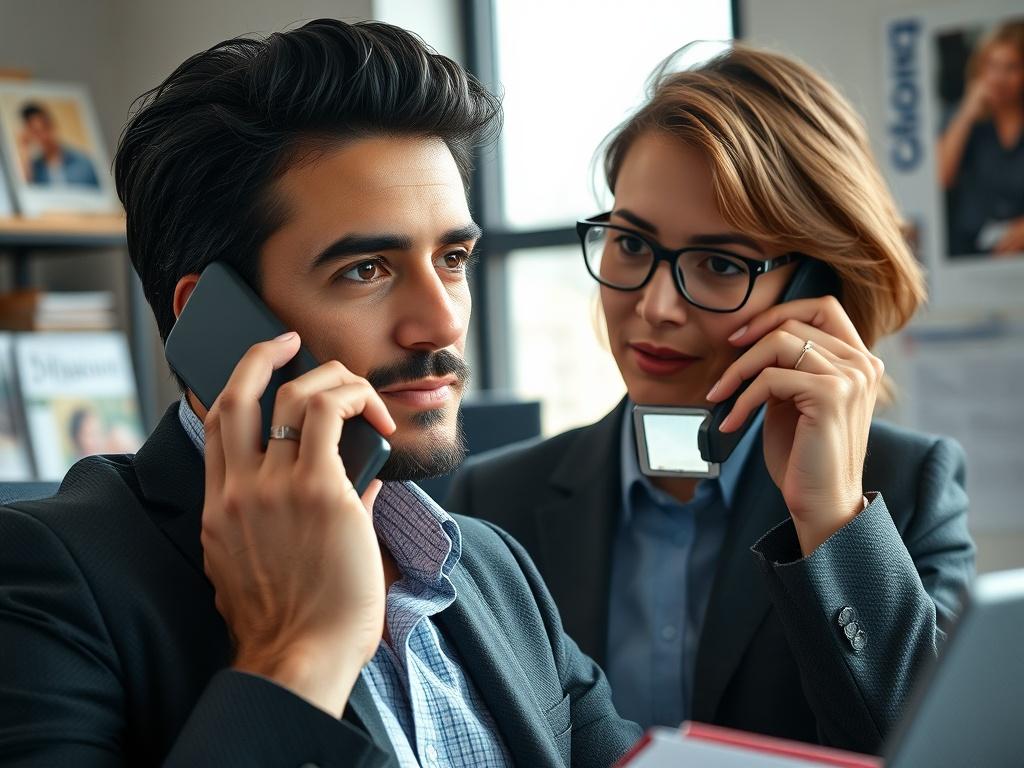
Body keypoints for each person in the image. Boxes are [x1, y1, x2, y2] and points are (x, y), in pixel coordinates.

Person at [0, 20, 642, 766]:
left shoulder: (493, 569)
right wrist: (295, 656)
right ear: (214, 319)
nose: (441, 321)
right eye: (366, 269)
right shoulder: (47, 578)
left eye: (454, 257)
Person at [446, 44, 975, 755]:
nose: (657, 306)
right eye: (631, 244)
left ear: (811, 288)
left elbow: (940, 751)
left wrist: (830, 523)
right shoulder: (493, 501)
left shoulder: (909, 490)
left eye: (720, 263)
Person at [938, 20, 1024, 256]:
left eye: (1011, 67)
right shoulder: (961, 116)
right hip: (970, 250)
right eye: (992, 66)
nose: (999, 78)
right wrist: (966, 113)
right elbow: (940, 177)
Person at [19, 102, 101, 187]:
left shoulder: (84, 163)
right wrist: (23, 148)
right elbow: (26, 190)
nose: (43, 137)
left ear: (53, 126)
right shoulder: (35, 169)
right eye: (36, 133)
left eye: (44, 128)